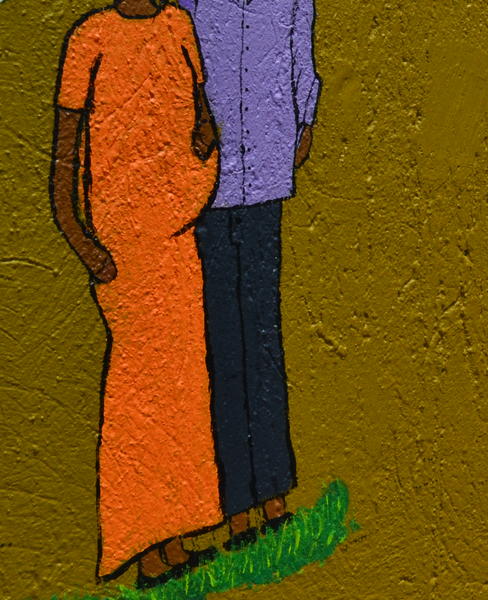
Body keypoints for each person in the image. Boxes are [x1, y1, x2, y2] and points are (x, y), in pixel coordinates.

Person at [51, 0, 223, 586]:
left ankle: (174, 538)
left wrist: (204, 145)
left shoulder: (178, 26)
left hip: (179, 235)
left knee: (181, 388)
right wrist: (83, 243)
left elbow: (202, 117)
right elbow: (64, 158)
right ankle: (143, 546)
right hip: (124, 250)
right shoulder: (90, 40)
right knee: (138, 396)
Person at [178, 0, 321, 548]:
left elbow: (299, 57)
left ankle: (274, 490)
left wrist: (301, 121)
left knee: (262, 336)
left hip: (264, 173)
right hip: (206, 182)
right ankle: (236, 500)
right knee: (219, 340)